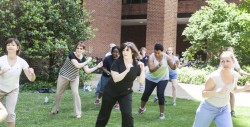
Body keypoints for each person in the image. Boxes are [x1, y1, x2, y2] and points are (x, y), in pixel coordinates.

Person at [192, 51, 250, 127]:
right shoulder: (214, 77)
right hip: (207, 109)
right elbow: (204, 94)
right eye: (222, 61)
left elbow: (233, 90)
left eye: (228, 61)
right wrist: (217, 91)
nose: (225, 64)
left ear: (233, 62)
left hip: (223, 109)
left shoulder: (235, 75)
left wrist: (244, 88)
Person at [95, 42, 145, 127]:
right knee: (104, 114)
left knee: (127, 115)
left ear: (132, 52)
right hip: (111, 92)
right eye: (123, 50)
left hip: (125, 93)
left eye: (127, 50)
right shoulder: (117, 62)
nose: (124, 52)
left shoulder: (136, 64)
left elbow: (141, 81)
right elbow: (116, 78)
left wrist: (143, 69)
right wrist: (127, 70)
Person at [50, 41, 103, 118]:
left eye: (81, 48)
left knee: (75, 93)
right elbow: (77, 65)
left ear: (83, 50)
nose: (79, 50)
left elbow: (87, 71)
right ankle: (54, 109)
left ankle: (78, 113)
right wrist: (88, 60)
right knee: (59, 93)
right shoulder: (72, 55)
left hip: (74, 77)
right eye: (77, 48)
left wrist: (97, 67)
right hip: (64, 76)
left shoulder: (83, 58)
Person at [0, 38, 36, 127]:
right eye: (8, 45)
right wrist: (1, 71)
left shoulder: (21, 62)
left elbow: (31, 79)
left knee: (11, 113)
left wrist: (32, 73)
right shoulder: (1, 60)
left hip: (13, 90)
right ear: (6, 47)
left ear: (17, 47)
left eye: (13, 45)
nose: (10, 46)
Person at [138, 43, 178, 120]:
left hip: (163, 78)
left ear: (162, 52)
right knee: (146, 94)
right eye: (155, 52)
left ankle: (162, 114)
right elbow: (151, 70)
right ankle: (142, 108)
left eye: (158, 53)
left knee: (160, 94)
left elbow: (173, 67)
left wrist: (176, 65)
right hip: (151, 78)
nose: (156, 54)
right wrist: (158, 66)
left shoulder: (167, 58)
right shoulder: (151, 56)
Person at [226, 47, 250, 117]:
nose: (230, 53)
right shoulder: (223, 59)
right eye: (229, 52)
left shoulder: (234, 61)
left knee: (232, 93)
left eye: (231, 52)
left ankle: (232, 111)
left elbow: (240, 70)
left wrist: (248, 74)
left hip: (231, 78)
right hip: (223, 77)